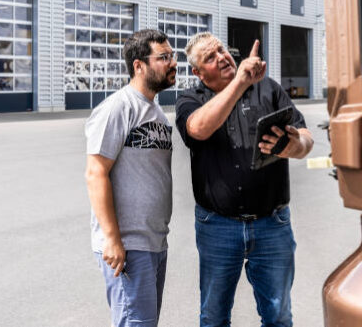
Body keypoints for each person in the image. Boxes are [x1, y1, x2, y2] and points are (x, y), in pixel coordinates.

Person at [175, 32, 314, 327]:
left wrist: (296, 146)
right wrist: (240, 82)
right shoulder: (190, 99)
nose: (222, 57)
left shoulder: (269, 90)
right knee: (214, 317)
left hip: (272, 225)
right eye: (210, 58)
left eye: (221, 50)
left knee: (278, 316)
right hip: (218, 227)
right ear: (197, 72)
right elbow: (197, 129)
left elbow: (305, 137)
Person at [84, 29, 178, 327]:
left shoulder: (157, 113)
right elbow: (96, 172)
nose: (172, 63)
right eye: (163, 57)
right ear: (139, 65)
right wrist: (112, 239)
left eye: (172, 56)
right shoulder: (118, 108)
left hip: (153, 242)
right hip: (127, 246)